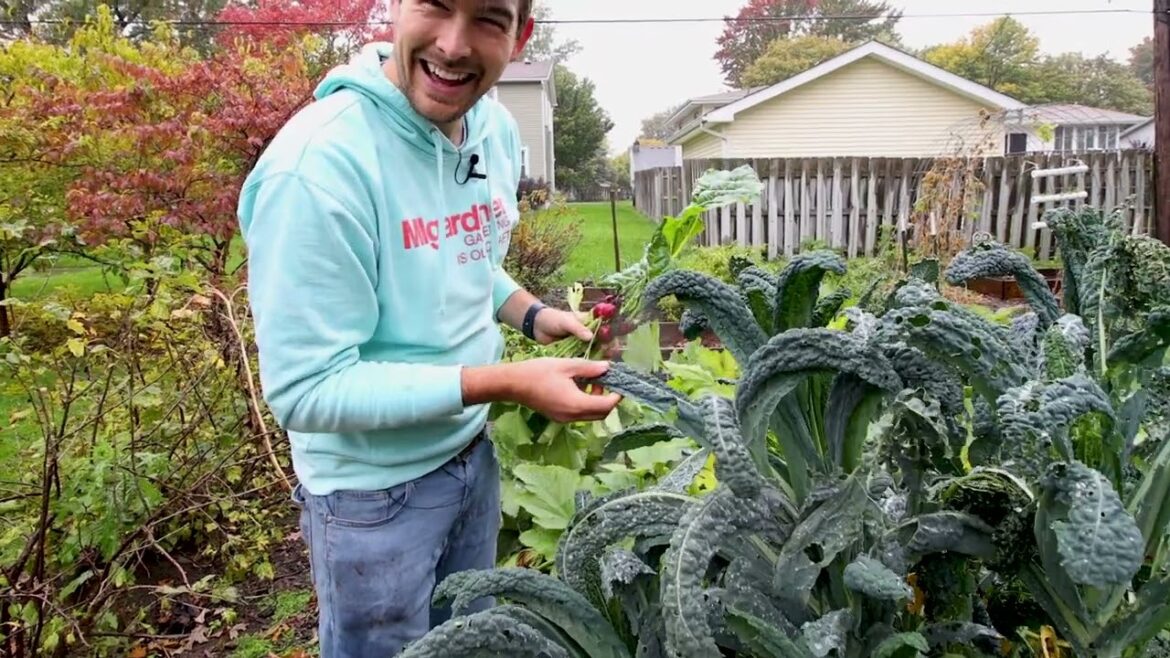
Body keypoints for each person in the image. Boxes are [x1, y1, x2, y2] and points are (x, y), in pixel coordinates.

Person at [235, 1, 622, 655]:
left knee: (469, 642)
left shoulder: (492, 130)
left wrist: (535, 313)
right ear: (393, 7)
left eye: (487, 21)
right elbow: (307, 391)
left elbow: (464, 258)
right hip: (370, 499)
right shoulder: (318, 169)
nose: (453, 44)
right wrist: (508, 382)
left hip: (471, 455)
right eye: (436, 7)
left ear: (520, 36)